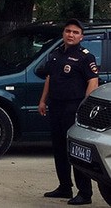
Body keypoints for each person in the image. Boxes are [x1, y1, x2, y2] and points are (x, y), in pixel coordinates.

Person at [38, 18, 99, 205]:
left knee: (76, 151)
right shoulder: (56, 54)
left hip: (74, 107)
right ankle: (64, 187)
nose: (70, 34)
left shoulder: (85, 57)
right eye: (67, 31)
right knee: (59, 148)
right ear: (63, 33)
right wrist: (43, 100)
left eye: (75, 32)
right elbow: (49, 77)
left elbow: (93, 81)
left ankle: (85, 193)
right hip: (56, 106)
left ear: (81, 36)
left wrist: (85, 107)